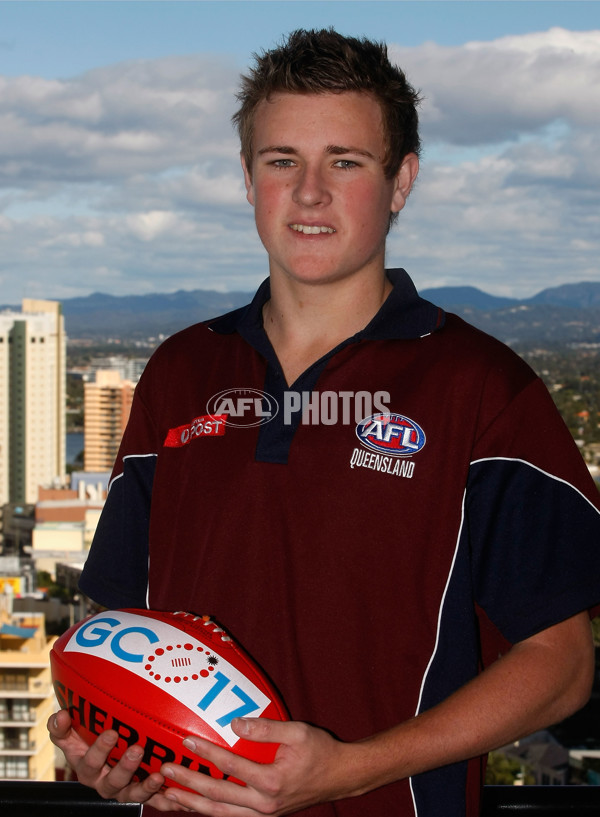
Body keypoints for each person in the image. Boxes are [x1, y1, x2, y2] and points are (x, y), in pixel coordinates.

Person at [49, 29, 600, 817]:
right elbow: (118, 625)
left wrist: (351, 768)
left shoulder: (480, 386)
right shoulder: (180, 372)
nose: (309, 193)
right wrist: (108, 743)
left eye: (345, 161)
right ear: (247, 179)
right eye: (282, 161)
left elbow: (562, 663)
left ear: (401, 181)